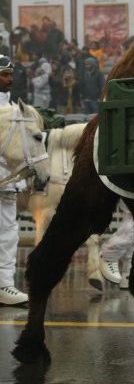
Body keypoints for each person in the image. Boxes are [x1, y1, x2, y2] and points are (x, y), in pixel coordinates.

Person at [0, 56, 27, 306]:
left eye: (10, 74)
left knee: (8, 233)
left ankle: (4, 285)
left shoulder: (13, 107)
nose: (9, 79)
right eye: (4, 74)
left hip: (6, 181)